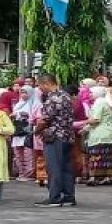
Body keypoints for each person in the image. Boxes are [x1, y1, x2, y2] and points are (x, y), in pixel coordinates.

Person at [34, 74, 77, 207]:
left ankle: (55, 197)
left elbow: (45, 119)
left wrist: (36, 130)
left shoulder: (52, 99)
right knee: (66, 167)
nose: (40, 89)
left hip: (54, 136)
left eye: (40, 86)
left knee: (54, 167)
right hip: (67, 136)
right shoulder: (66, 96)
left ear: (46, 84)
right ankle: (68, 196)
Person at [84, 86, 112, 186]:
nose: (89, 95)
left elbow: (96, 119)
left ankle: (94, 177)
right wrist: (85, 128)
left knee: (96, 155)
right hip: (107, 133)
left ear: (97, 93)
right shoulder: (105, 102)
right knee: (105, 156)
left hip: (99, 133)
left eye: (91, 92)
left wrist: (82, 123)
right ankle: (106, 177)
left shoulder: (99, 103)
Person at [10, 86, 38, 181]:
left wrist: (20, 114)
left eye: (26, 92)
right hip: (17, 131)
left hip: (28, 132)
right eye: (22, 92)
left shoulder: (34, 104)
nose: (23, 95)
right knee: (18, 153)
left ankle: (29, 174)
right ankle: (21, 173)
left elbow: (33, 116)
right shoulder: (18, 104)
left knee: (28, 153)